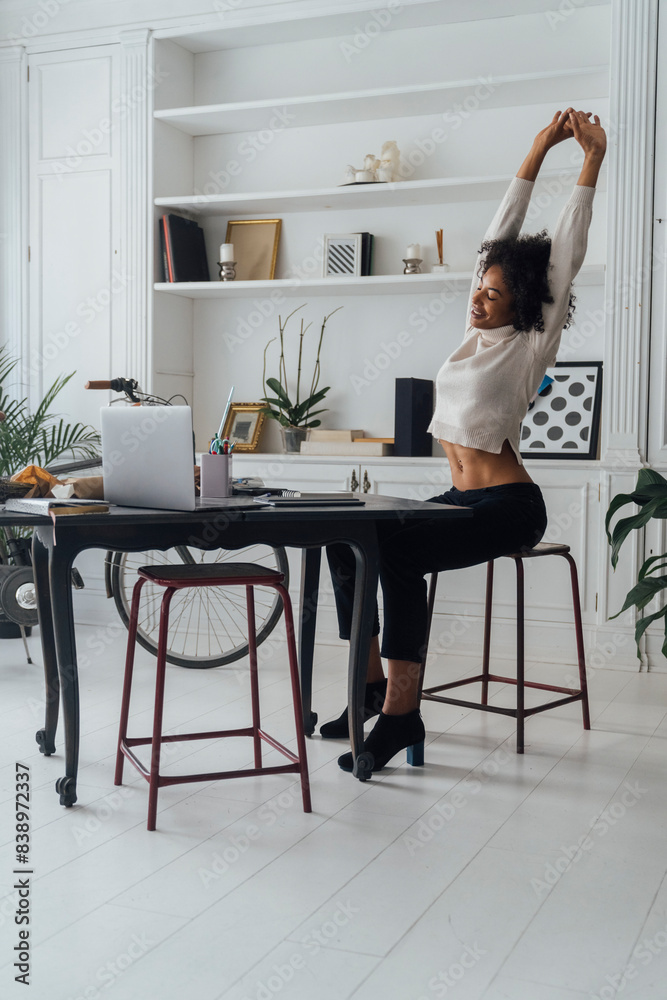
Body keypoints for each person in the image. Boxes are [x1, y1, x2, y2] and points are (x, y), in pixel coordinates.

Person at [323, 109, 607, 773]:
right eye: (479, 288)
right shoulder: (471, 331)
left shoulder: (528, 345)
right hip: (457, 495)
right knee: (345, 543)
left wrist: (588, 163)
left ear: (524, 303)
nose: (479, 297)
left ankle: (399, 713)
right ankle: (367, 685)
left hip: (508, 506)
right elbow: (495, 237)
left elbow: (565, 249)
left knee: (394, 556)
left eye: (494, 293)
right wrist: (536, 147)